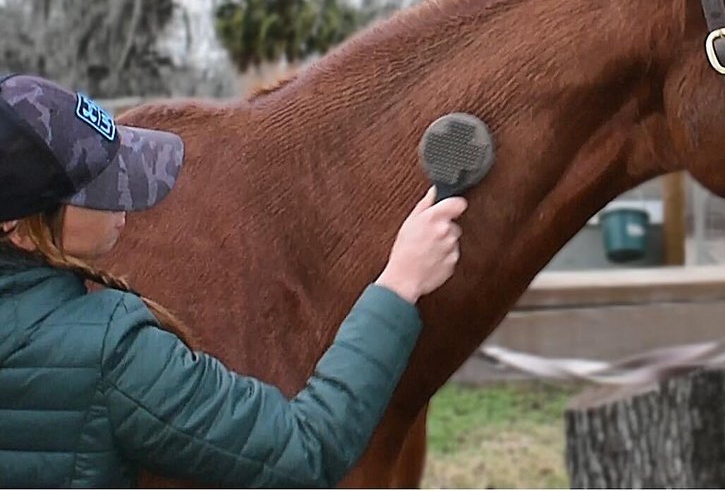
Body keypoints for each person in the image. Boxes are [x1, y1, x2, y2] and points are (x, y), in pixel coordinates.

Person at [0, 73, 466, 487]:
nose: (125, 201)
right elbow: (306, 449)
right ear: (16, 227)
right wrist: (399, 283)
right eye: (97, 187)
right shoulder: (106, 353)